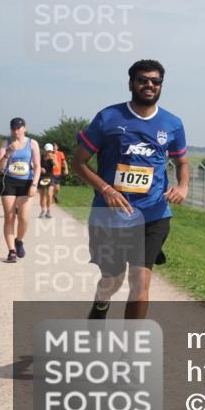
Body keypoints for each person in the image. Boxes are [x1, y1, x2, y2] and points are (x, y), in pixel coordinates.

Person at [73, 60, 189, 320]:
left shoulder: (172, 123)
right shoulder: (108, 118)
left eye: (155, 81)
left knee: (140, 282)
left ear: (161, 86)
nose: (149, 85)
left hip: (153, 214)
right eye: (142, 79)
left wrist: (183, 186)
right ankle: (102, 302)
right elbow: (78, 162)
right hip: (109, 215)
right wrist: (106, 189)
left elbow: (182, 161)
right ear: (131, 83)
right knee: (112, 280)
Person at [0, 118, 41, 262]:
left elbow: (38, 166)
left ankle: (19, 240)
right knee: (9, 217)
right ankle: (11, 252)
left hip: (26, 182)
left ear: (24, 128)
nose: (16, 131)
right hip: (9, 181)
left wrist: (34, 185)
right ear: (11, 129)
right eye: (14, 128)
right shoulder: (5, 143)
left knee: (23, 217)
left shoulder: (32, 143)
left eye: (19, 128)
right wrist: (8, 152)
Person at [38, 142, 57, 218]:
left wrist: (52, 159)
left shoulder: (53, 156)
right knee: (42, 196)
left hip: (50, 177)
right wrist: (40, 168)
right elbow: (35, 165)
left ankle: (48, 211)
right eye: (48, 151)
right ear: (45, 150)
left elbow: (56, 165)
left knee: (49, 195)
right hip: (42, 177)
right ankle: (43, 211)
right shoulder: (40, 157)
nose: (49, 152)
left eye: (50, 151)